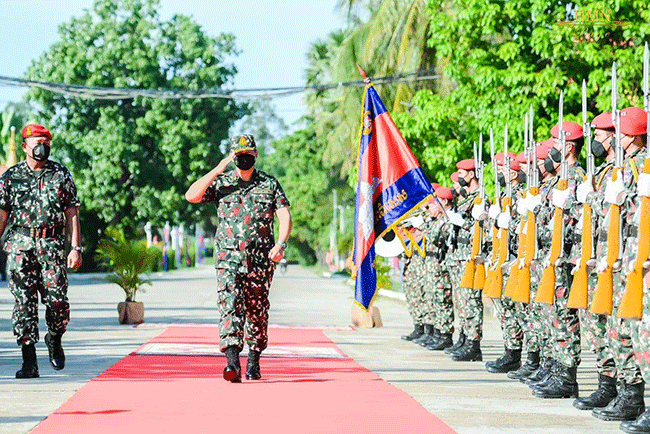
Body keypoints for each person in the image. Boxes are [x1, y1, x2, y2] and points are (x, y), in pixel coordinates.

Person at [185, 134, 292, 383]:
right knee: (229, 306)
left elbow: (284, 215)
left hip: (260, 260)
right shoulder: (221, 183)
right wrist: (219, 167)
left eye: (248, 154)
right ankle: (232, 363)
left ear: (255, 155)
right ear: (233, 156)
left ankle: (254, 360)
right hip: (228, 259)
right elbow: (192, 195)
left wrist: (281, 244)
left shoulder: (269, 183)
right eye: (238, 155)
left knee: (257, 311)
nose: (243, 158)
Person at [0, 124, 82, 379]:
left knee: (57, 301)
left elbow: (72, 213)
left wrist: (76, 247)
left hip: (52, 246)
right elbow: (2, 215)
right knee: (23, 303)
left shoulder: (60, 174)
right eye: (36, 142)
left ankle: (54, 338)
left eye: (45, 142)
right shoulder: (10, 178)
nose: (41, 147)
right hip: (20, 246)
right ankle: (29, 361)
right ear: (24, 146)